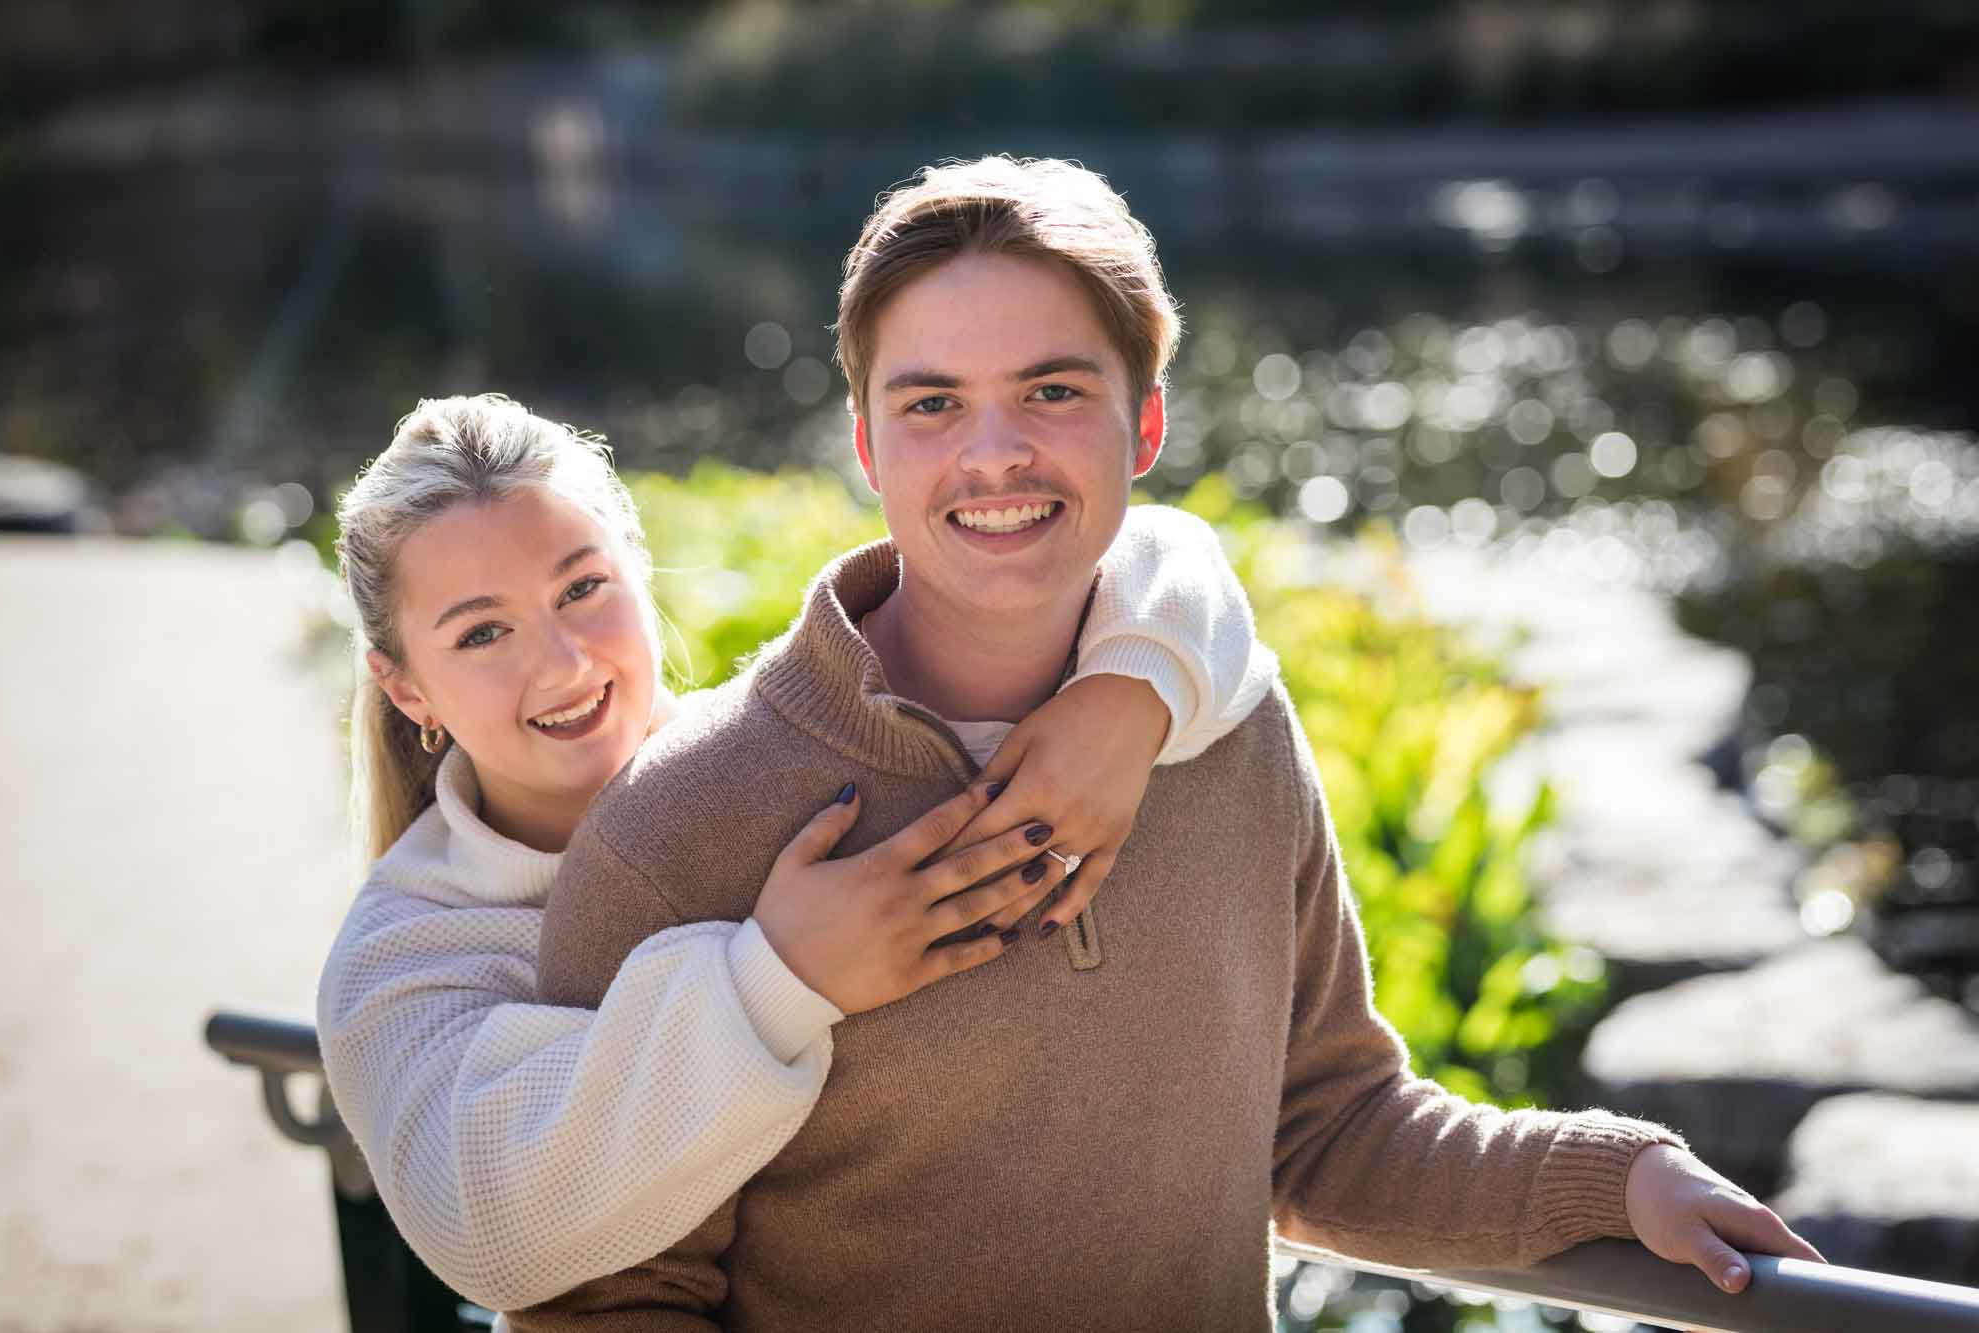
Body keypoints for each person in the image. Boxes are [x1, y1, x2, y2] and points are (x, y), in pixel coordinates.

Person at [526, 157, 1824, 1332]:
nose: (994, 455)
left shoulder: (1231, 739)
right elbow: (603, 1295)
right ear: (866, 442)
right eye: (933, 404)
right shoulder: (679, 827)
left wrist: (1619, 1176)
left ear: (1141, 426)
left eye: (1051, 390)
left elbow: (1324, 1132)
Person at [315, 392, 1278, 1310]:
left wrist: (1131, 688)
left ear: (637, 567)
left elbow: (1168, 548)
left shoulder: (779, 772)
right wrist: (777, 977)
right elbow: (491, 1232)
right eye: (483, 632)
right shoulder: (403, 952)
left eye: (583, 587)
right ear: (407, 691)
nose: (565, 662)